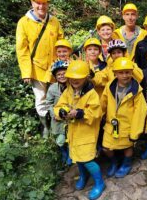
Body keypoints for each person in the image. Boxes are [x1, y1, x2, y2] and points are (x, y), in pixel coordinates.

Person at [54, 60, 105, 200]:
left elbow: (96, 113)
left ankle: (99, 183)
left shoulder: (91, 93)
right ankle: (83, 176)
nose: (75, 80)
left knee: (87, 159)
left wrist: (80, 113)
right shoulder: (69, 90)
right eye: (72, 77)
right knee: (77, 157)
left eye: (79, 77)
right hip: (73, 132)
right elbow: (59, 106)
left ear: (86, 77)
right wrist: (63, 112)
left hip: (86, 132)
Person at [16, 0, 63, 138]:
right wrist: (26, 72)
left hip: (56, 68)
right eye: (38, 3)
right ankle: (46, 127)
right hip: (37, 68)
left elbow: (61, 43)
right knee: (41, 99)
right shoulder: (24, 22)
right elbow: (22, 49)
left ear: (48, 4)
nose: (41, 7)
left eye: (44, 3)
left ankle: (59, 128)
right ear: (32, 3)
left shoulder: (54, 21)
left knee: (58, 97)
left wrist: (63, 63)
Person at [101, 57, 147, 178]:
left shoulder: (136, 91)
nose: (125, 75)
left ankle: (126, 164)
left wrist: (135, 132)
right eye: (121, 72)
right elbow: (102, 104)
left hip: (127, 126)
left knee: (128, 147)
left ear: (132, 72)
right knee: (106, 147)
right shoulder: (109, 87)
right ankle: (114, 162)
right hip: (111, 125)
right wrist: (97, 117)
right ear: (115, 73)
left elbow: (141, 112)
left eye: (127, 72)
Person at [46, 60, 71, 166]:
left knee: (71, 137)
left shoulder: (73, 85)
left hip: (70, 118)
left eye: (64, 73)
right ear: (55, 77)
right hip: (58, 120)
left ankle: (70, 155)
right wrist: (54, 114)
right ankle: (63, 153)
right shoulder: (52, 89)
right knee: (60, 139)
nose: (61, 76)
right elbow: (48, 103)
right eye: (58, 74)